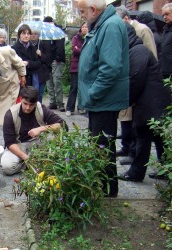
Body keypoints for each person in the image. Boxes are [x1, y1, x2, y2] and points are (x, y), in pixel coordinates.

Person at [77, 0, 129, 198]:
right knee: (99, 145)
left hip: (104, 100)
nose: (81, 16)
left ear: (93, 9)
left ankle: (107, 190)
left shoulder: (111, 26)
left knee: (103, 146)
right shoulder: (102, 24)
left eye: (82, 11)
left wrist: (92, 93)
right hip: (100, 100)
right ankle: (102, 186)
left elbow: (110, 68)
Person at [118, 24, 171, 182]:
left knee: (143, 135)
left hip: (150, 101)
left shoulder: (137, 50)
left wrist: (128, 100)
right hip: (152, 100)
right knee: (155, 137)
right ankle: (164, 169)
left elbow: (136, 77)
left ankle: (137, 173)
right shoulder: (136, 49)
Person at [115, 5, 158, 166]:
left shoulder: (140, 40)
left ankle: (137, 163)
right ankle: (130, 152)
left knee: (142, 130)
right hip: (140, 90)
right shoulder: (132, 45)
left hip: (146, 92)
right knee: (134, 125)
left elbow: (139, 72)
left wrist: (129, 97)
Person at [0, 86, 65, 175]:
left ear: (36, 102)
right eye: (25, 103)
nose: (27, 107)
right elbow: (9, 143)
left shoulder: (41, 109)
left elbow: (62, 125)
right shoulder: (10, 114)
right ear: (20, 99)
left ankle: (32, 163)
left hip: (38, 143)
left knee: (58, 147)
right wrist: (26, 158)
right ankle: (33, 162)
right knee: (7, 166)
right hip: (18, 144)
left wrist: (42, 128)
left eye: (31, 105)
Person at [43, 16, 66, 112]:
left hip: (57, 60)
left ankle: (60, 103)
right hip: (47, 60)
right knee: (49, 82)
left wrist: (58, 58)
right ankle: (52, 102)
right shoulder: (44, 32)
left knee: (57, 81)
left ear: (52, 22)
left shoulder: (58, 31)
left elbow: (60, 46)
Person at [65, 22, 88, 117]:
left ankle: (82, 107)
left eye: (86, 27)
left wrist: (80, 49)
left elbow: (89, 51)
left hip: (86, 67)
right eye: (83, 26)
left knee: (83, 88)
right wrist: (83, 49)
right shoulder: (76, 38)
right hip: (75, 67)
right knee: (74, 87)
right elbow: (75, 50)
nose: (84, 28)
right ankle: (69, 108)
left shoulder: (89, 38)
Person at [12, 25, 41, 91]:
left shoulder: (33, 48)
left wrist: (28, 63)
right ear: (19, 35)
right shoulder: (14, 48)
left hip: (31, 80)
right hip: (18, 80)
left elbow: (38, 63)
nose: (26, 36)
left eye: (28, 34)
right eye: (24, 33)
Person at [30, 29, 52, 103]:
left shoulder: (42, 44)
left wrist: (41, 54)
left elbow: (48, 58)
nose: (33, 35)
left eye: (35, 34)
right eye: (32, 34)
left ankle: (39, 106)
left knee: (40, 93)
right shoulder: (28, 45)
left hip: (42, 72)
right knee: (31, 92)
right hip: (32, 71)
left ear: (38, 35)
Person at [161, 3, 172, 81]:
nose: (164, 17)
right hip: (165, 72)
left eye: (167, 14)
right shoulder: (165, 29)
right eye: (163, 15)